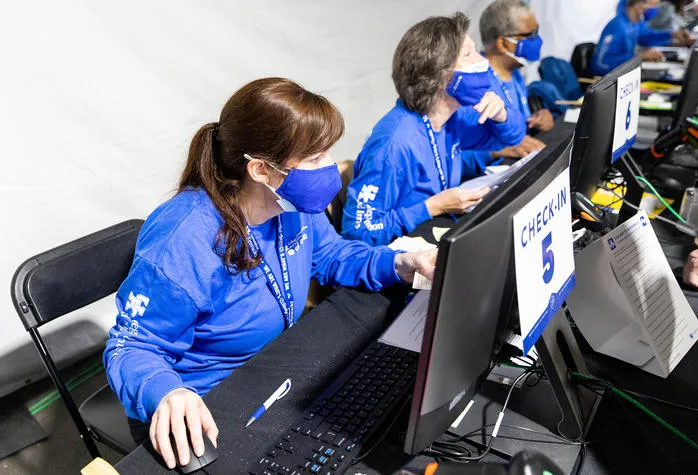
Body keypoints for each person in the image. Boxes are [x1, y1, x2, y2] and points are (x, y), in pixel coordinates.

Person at [103, 78, 437, 470]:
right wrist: (166, 394)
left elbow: (330, 255)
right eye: (314, 158)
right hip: (202, 407)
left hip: (269, 372)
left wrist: (399, 264)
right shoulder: (183, 240)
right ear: (260, 169)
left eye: (327, 153)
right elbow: (132, 348)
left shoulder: (291, 205)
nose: (329, 168)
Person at [341, 13, 526, 246]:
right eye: (469, 54)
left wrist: (502, 115)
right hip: (399, 262)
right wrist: (432, 206)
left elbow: (511, 137)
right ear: (441, 76)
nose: (483, 61)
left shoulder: (452, 117)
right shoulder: (395, 144)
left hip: (434, 238)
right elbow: (359, 233)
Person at [462, 0, 550, 179]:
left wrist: (539, 119)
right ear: (503, 43)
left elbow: (519, 129)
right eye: (530, 35)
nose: (537, 40)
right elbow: (456, 159)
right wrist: (498, 150)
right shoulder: (473, 86)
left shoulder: (515, 74)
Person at [591, 0, 693, 76]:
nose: (656, 8)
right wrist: (640, 56)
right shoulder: (617, 27)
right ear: (639, 4)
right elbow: (600, 65)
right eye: (653, 4)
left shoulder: (635, 23)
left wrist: (673, 35)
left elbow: (647, 36)